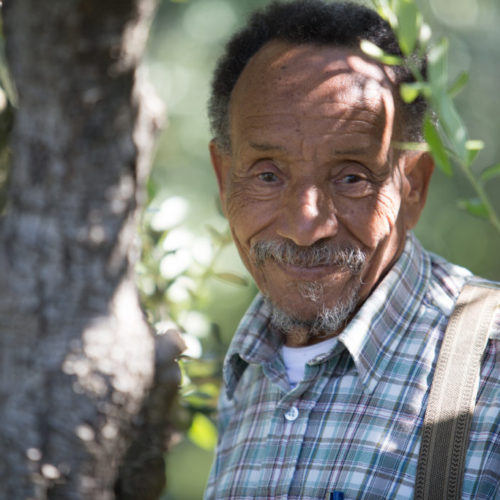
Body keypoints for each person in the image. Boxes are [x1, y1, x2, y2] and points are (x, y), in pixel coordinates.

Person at [204, 1, 500, 498]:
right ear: (222, 177)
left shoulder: (489, 366)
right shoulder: (241, 381)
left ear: (413, 187)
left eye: (351, 178)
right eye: (268, 175)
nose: (305, 227)